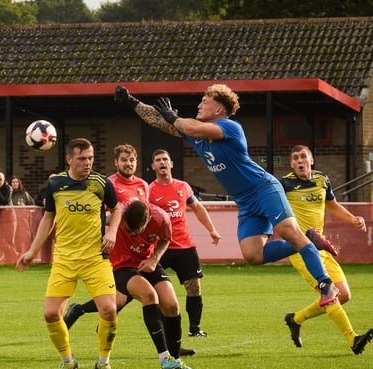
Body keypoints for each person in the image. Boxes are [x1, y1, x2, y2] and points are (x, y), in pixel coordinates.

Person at [114, 84, 340, 308]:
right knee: (253, 255)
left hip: (264, 188)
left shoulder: (230, 128)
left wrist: (174, 116)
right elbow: (159, 120)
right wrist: (131, 101)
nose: (200, 105)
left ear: (218, 110)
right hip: (246, 202)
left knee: (288, 232)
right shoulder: (198, 135)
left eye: (205, 101)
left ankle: (326, 284)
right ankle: (311, 239)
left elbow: (185, 125)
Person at [63, 144, 195, 357]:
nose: (128, 164)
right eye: (124, 160)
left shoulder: (143, 185)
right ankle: (166, 355)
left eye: (132, 160)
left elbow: (149, 216)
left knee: (165, 304)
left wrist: (153, 257)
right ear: (116, 162)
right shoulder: (108, 184)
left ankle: (173, 348)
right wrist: (109, 231)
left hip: (145, 254)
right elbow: (99, 215)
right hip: (120, 254)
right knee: (134, 298)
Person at [16, 138, 122, 369]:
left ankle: (104, 362)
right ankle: (68, 361)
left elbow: (117, 209)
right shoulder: (55, 184)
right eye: (82, 158)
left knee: (109, 309)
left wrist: (112, 231)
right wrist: (32, 252)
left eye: (91, 158)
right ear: (69, 159)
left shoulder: (101, 183)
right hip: (64, 258)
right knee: (50, 313)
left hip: (95, 258)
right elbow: (47, 218)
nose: (88, 163)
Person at [280, 145, 372, 354]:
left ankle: (295, 319)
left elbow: (332, 205)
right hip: (300, 249)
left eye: (303, 156)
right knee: (329, 294)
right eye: (295, 158)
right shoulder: (284, 184)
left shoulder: (323, 179)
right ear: (291, 164)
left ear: (311, 160)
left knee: (344, 295)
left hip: (320, 246)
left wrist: (352, 218)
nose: (299, 160)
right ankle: (353, 338)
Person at [111, 200, 193, 369]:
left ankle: (175, 359)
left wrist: (154, 259)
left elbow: (165, 240)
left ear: (147, 222)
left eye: (136, 231)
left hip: (147, 262)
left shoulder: (161, 218)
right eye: (128, 229)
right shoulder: (115, 214)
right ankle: (164, 357)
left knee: (171, 305)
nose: (132, 234)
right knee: (149, 295)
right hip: (122, 265)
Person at [149, 148, 221, 337]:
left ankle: (195, 329)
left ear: (171, 164)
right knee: (153, 291)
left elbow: (197, 208)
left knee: (194, 287)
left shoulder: (183, 187)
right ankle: (162, 330)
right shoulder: (149, 191)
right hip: (159, 248)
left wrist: (212, 230)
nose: (162, 163)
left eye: (165, 159)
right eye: (158, 160)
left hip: (185, 246)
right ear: (153, 166)